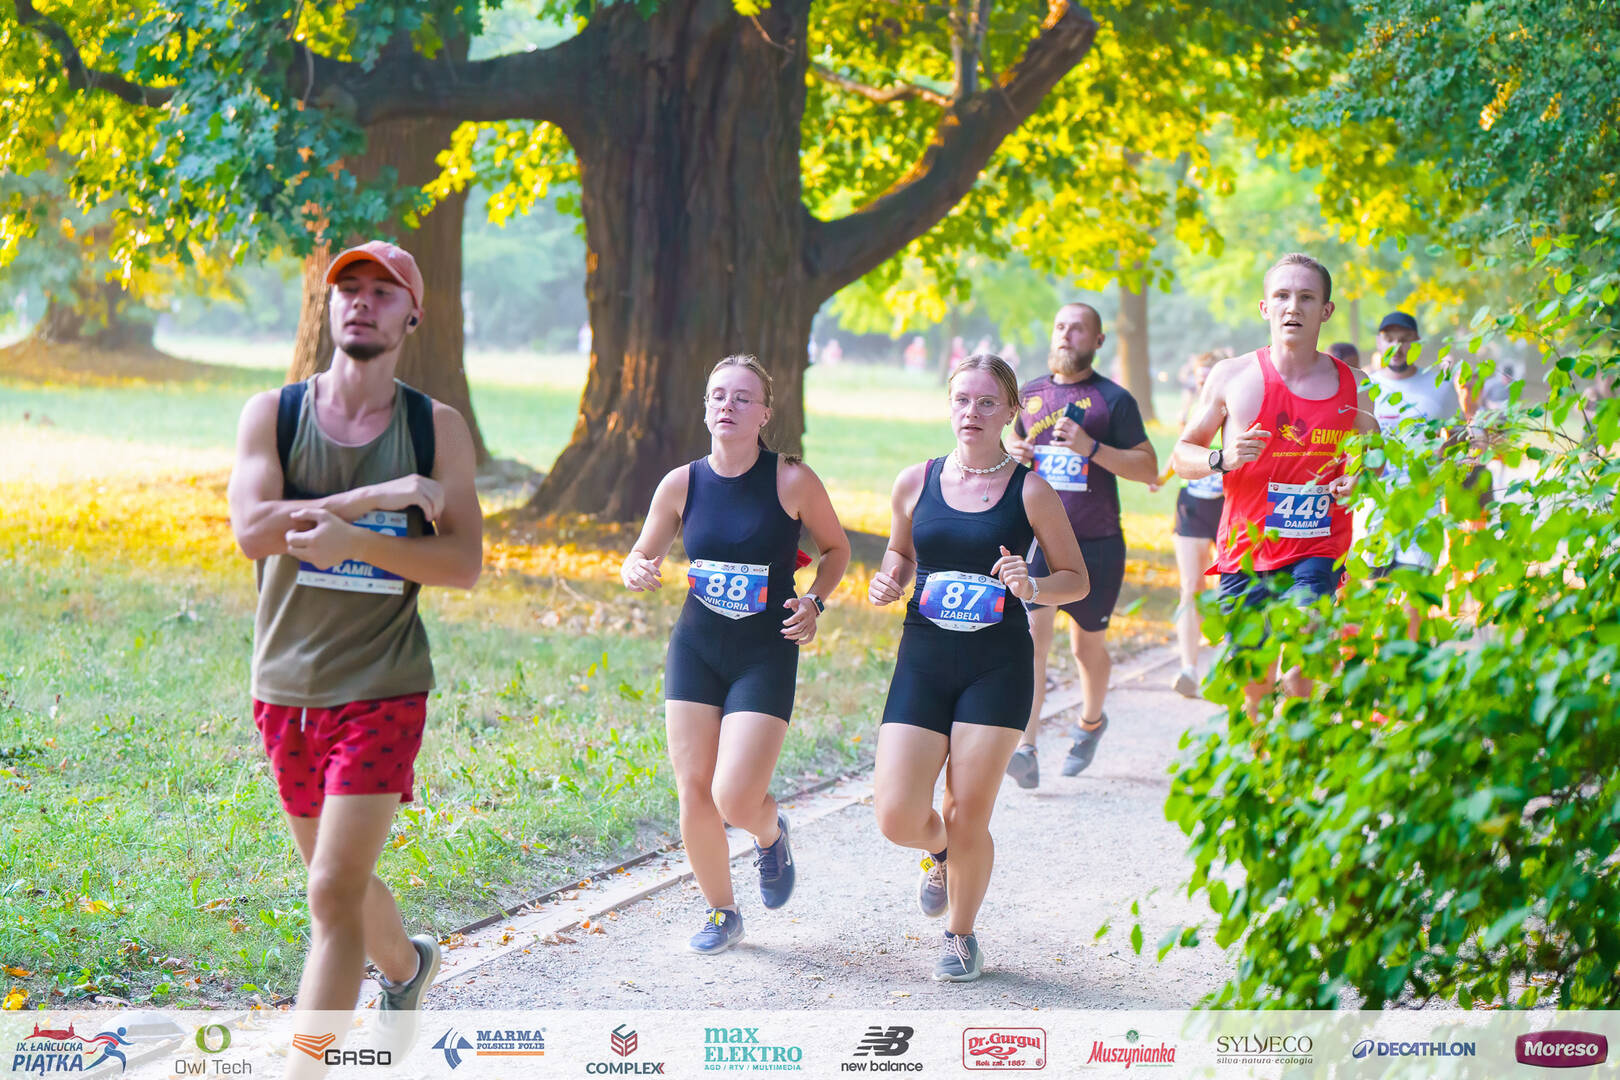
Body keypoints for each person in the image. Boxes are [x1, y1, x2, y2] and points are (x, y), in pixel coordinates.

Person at [227, 241, 483, 1049]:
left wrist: (355, 542)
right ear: (329, 305)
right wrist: (376, 495)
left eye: (383, 291)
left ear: (413, 316)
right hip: (285, 686)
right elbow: (252, 531)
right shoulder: (275, 414)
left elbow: (463, 563)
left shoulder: (434, 428)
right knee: (334, 881)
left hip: (384, 684)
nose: (362, 302)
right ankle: (407, 968)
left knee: (332, 895)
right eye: (350, 289)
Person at [869, 354, 1088, 981]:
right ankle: (938, 851)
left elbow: (1076, 579)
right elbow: (900, 551)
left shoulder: (1031, 491)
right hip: (924, 659)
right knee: (896, 815)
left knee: (968, 810)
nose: (972, 412)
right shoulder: (915, 481)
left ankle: (961, 935)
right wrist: (890, 577)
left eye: (987, 402)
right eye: (963, 400)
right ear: (949, 405)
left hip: (997, 666)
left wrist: (1032, 585)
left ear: (1011, 411)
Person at [620, 355, 849, 955]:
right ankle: (722, 911)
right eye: (718, 395)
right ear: (705, 407)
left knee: (737, 796)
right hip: (696, 647)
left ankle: (770, 835)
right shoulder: (681, 483)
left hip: (764, 651)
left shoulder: (791, 480)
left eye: (743, 397)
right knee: (694, 788)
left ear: (765, 413)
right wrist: (635, 568)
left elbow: (837, 550)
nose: (728, 405)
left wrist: (815, 602)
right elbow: (641, 552)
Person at [1171, 252, 1379, 714]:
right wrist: (1222, 458)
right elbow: (1182, 455)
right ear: (1265, 307)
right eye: (1282, 296)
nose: (1293, 307)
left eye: (1306, 298)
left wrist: (1358, 479)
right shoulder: (1232, 376)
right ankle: (1262, 748)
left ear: (1326, 310)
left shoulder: (1355, 384)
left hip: (1318, 546)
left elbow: (1374, 457)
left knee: (1306, 650)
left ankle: (1298, 726)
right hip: (1246, 550)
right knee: (1254, 683)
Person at [1002, 303, 1158, 787]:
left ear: (1098, 341)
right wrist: (1013, 452)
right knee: (1032, 639)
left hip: (1097, 543)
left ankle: (1090, 723)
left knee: (1086, 648)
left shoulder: (1114, 400)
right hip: (1039, 541)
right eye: (1060, 326)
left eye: (1078, 329)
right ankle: (1026, 747)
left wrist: (1090, 448)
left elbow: (1148, 468)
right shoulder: (1030, 395)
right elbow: (1007, 450)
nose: (1067, 335)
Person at [1149, 351, 1224, 698]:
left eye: (1210, 375)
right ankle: (1189, 670)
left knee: (1229, 586)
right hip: (1192, 504)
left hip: (1228, 505)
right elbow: (1181, 452)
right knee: (1191, 585)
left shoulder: (1237, 406)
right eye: (1200, 376)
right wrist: (1161, 478)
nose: (1204, 382)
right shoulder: (1190, 409)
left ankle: (1224, 664)